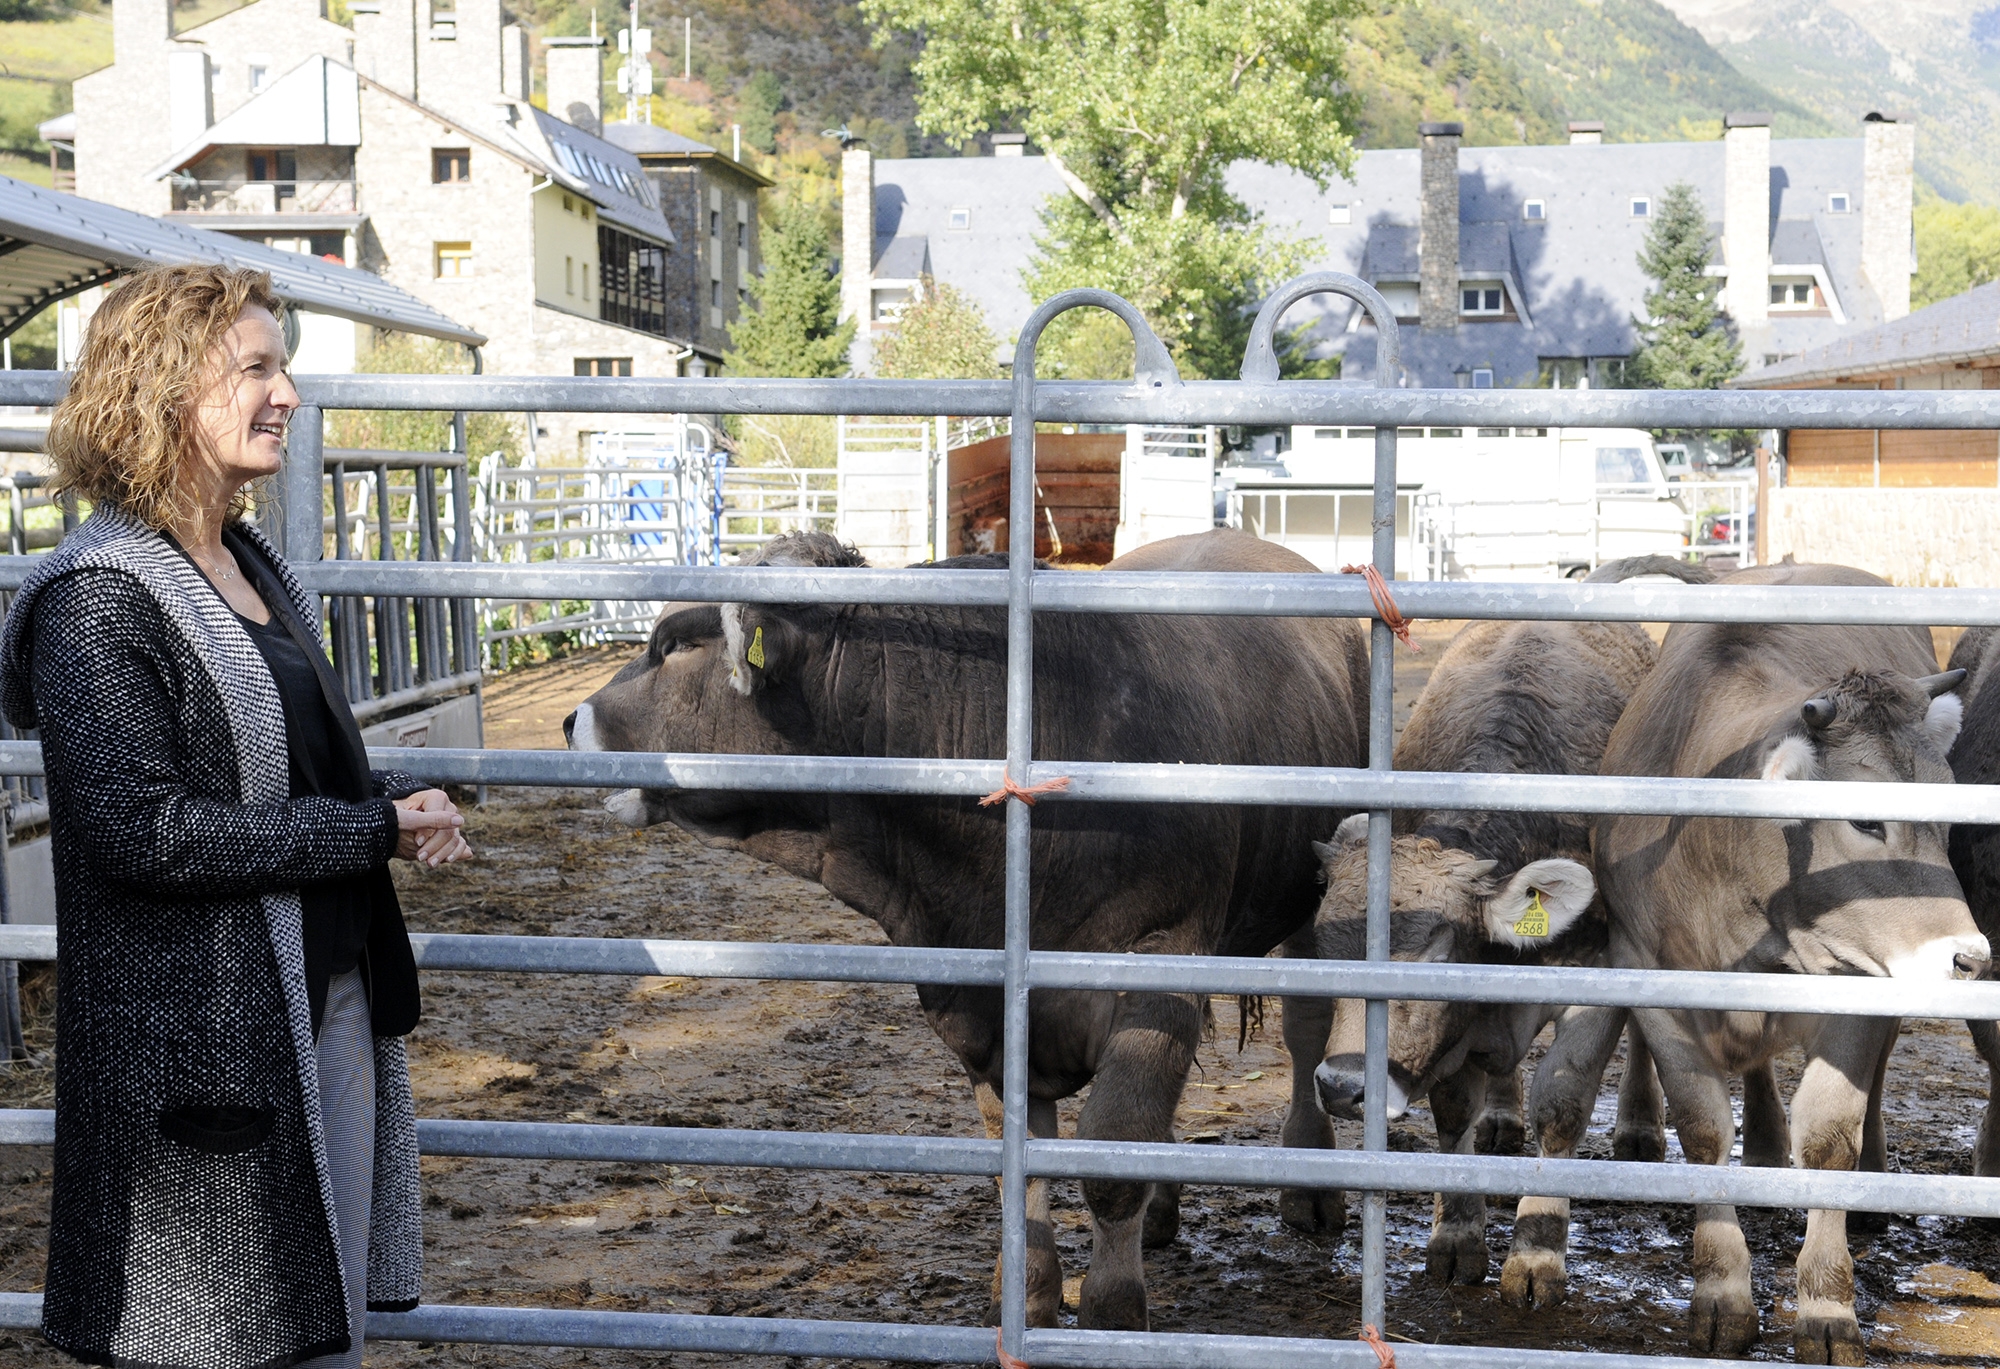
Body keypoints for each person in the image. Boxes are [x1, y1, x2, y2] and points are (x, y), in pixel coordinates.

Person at [0, 264, 473, 1369]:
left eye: (283, 365)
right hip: (199, 1040)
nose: (290, 394)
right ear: (164, 391)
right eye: (257, 368)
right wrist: (371, 834)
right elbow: (142, 831)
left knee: (321, 1330)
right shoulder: (98, 599)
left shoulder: (251, 563)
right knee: (214, 1342)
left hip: (325, 990)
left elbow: (286, 770)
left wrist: (392, 808)